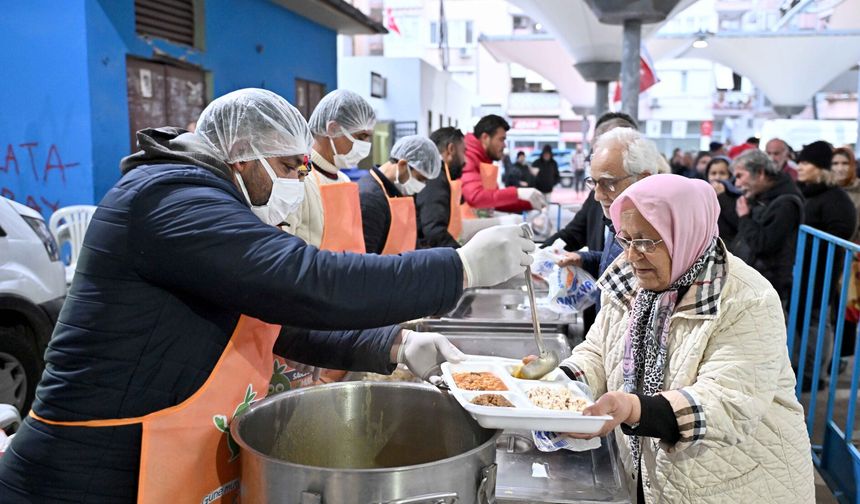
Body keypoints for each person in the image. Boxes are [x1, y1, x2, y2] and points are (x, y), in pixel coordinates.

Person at [0, 89, 537, 503]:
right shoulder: (170, 196)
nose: (298, 182)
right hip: (82, 475)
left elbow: (278, 320)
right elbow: (306, 282)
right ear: (241, 152)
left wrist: (392, 346)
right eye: (288, 168)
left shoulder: (202, 197)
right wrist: (459, 267)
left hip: (147, 461)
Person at [558, 174, 814, 502]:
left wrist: (632, 407)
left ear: (685, 233)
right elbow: (599, 349)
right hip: (654, 477)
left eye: (648, 241)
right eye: (627, 239)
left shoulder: (746, 298)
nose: (633, 255)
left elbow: (728, 402)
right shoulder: (632, 277)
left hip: (736, 484)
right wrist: (560, 382)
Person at [793, 141, 857, 389]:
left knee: (816, 321)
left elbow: (841, 232)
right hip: (804, 270)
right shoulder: (807, 192)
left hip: (821, 271)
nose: (800, 167)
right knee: (804, 320)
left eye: (806, 163)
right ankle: (802, 368)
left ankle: (814, 373)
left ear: (819, 167)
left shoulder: (834, 198)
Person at [284, 89, 375, 251]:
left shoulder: (344, 180)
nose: (366, 145)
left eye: (369, 137)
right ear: (332, 129)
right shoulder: (299, 180)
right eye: (361, 136)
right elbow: (284, 249)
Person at [731, 149, 803, 307]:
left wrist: (744, 217)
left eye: (740, 176)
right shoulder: (761, 196)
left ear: (760, 173)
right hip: (755, 283)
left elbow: (763, 244)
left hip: (768, 288)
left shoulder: (786, 203)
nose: (737, 184)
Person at [358, 135, 441, 255]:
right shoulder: (369, 198)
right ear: (402, 165)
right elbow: (365, 260)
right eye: (420, 179)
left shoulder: (397, 192)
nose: (422, 185)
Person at [461, 114, 545, 212]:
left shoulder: (484, 159)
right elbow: (475, 197)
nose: (504, 145)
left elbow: (493, 200)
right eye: (501, 139)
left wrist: (530, 203)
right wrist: (517, 193)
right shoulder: (467, 158)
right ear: (485, 138)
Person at [416, 127, 466, 249]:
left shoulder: (439, 175)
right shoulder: (435, 178)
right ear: (451, 149)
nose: (465, 160)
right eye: (464, 152)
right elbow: (434, 231)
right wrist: (462, 256)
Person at [832, 146, 860, 364]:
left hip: (854, 260)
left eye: (844, 163)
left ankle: (842, 356)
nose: (840, 168)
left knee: (848, 308)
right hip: (831, 258)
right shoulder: (826, 191)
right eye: (835, 164)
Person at [705, 156, 741, 247]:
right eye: (713, 173)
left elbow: (738, 222)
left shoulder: (738, 195)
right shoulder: (702, 195)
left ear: (730, 175)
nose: (717, 177)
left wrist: (722, 196)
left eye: (722, 173)